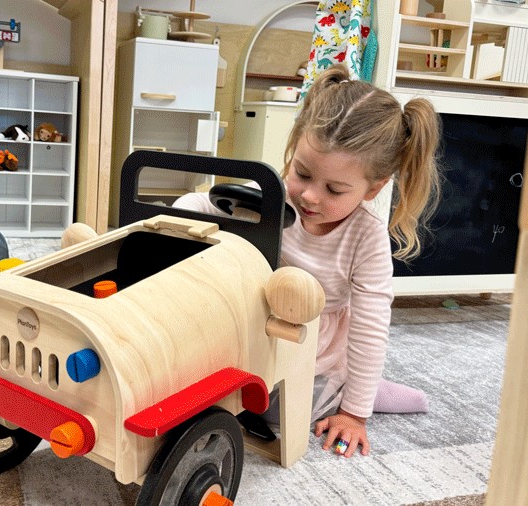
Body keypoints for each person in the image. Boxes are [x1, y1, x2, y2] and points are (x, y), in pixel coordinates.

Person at [173, 64, 441, 458]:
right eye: (302, 173)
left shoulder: (366, 239)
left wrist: (355, 413)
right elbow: (200, 202)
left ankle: (362, 390)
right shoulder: (269, 195)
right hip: (250, 325)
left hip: (311, 349)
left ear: (374, 188)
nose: (311, 197)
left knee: (273, 413)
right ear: (296, 145)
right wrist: (179, 224)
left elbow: (369, 330)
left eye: (334, 188)